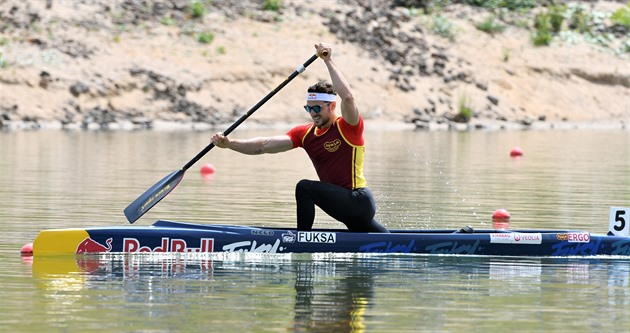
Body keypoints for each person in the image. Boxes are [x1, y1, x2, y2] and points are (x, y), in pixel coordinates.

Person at [211, 42, 388, 233]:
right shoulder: (305, 134)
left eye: (317, 108)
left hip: (358, 200)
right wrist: (230, 144)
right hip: (345, 205)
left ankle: (301, 239)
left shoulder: (348, 128)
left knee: (304, 188)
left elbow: (348, 98)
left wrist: (328, 61)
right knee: (388, 242)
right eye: (309, 108)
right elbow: (264, 145)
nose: (313, 113)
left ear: (332, 106)